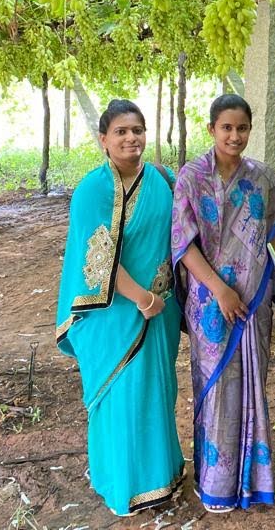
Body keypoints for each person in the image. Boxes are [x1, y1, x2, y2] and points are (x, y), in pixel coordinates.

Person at [171, 95, 275, 514]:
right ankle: (216, 484)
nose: (235, 136)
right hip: (210, 303)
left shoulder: (262, 177)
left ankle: (252, 481)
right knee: (215, 389)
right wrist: (220, 290)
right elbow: (183, 244)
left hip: (254, 301)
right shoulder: (192, 176)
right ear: (211, 129)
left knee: (252, 385)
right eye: (226, 128)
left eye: (242, 128)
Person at [55, 99, 184, 517]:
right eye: (121, 132)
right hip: (113, 315)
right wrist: (142, 299)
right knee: (121, 397)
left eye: (138, 130)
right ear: (104, 140)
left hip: (159, 312)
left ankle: (162, 474)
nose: (131, 138)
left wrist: (158, 301)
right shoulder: (92, 190)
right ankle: (125, 484)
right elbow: (99, 258)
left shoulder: (162, 180)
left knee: (156, 392)